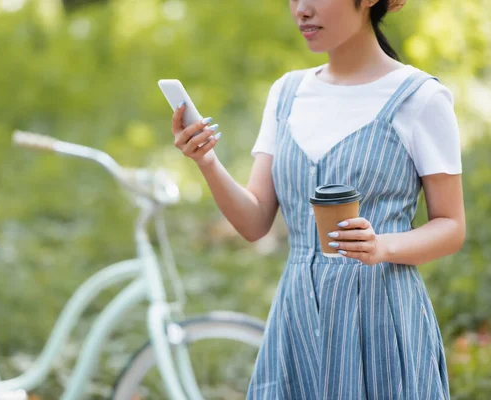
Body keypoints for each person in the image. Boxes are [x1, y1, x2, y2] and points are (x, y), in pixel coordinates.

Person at [171, 0, 465, 398]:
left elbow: (451, 226)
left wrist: (382, 245)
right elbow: (255, 221)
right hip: (296, 321)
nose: (301, 10)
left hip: (381, 321)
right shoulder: (287, 94)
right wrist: (206, 162)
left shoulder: (420, 99)